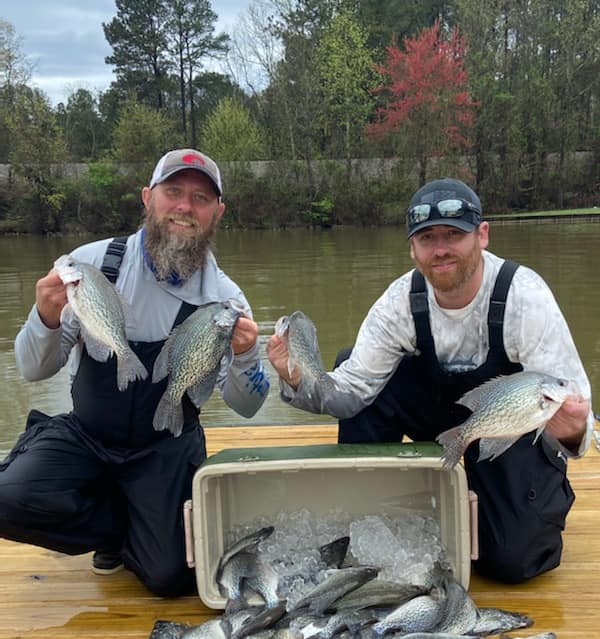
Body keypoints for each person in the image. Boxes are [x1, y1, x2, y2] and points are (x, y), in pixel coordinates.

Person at [267, 177, 593, 584]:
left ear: (482, 235)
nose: (440, 250)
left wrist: (573, 429)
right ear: (412, 248)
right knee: (351, 361)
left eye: (454, 235)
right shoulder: (397, 303)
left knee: (514, 562)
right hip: (441, 421)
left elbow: (577, 415)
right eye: (427, 238)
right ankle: (367, 510)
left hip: (508, 428)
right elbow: (349, 394)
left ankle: (494, 494)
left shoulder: (525, 297)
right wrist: (293, 376)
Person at [0, 148, 269, 597]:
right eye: (173, 191)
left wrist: (246, 355)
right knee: (5, 499)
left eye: (201, 198)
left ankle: (137, 527)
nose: (185, 207)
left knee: (170, 577)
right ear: (148, 197)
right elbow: (32, 368)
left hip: (165, 446)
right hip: (87, 434)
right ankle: (117, 530)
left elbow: (248, 404)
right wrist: (45, 317)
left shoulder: (225, 299)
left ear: (217, 213)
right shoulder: (91, 266)